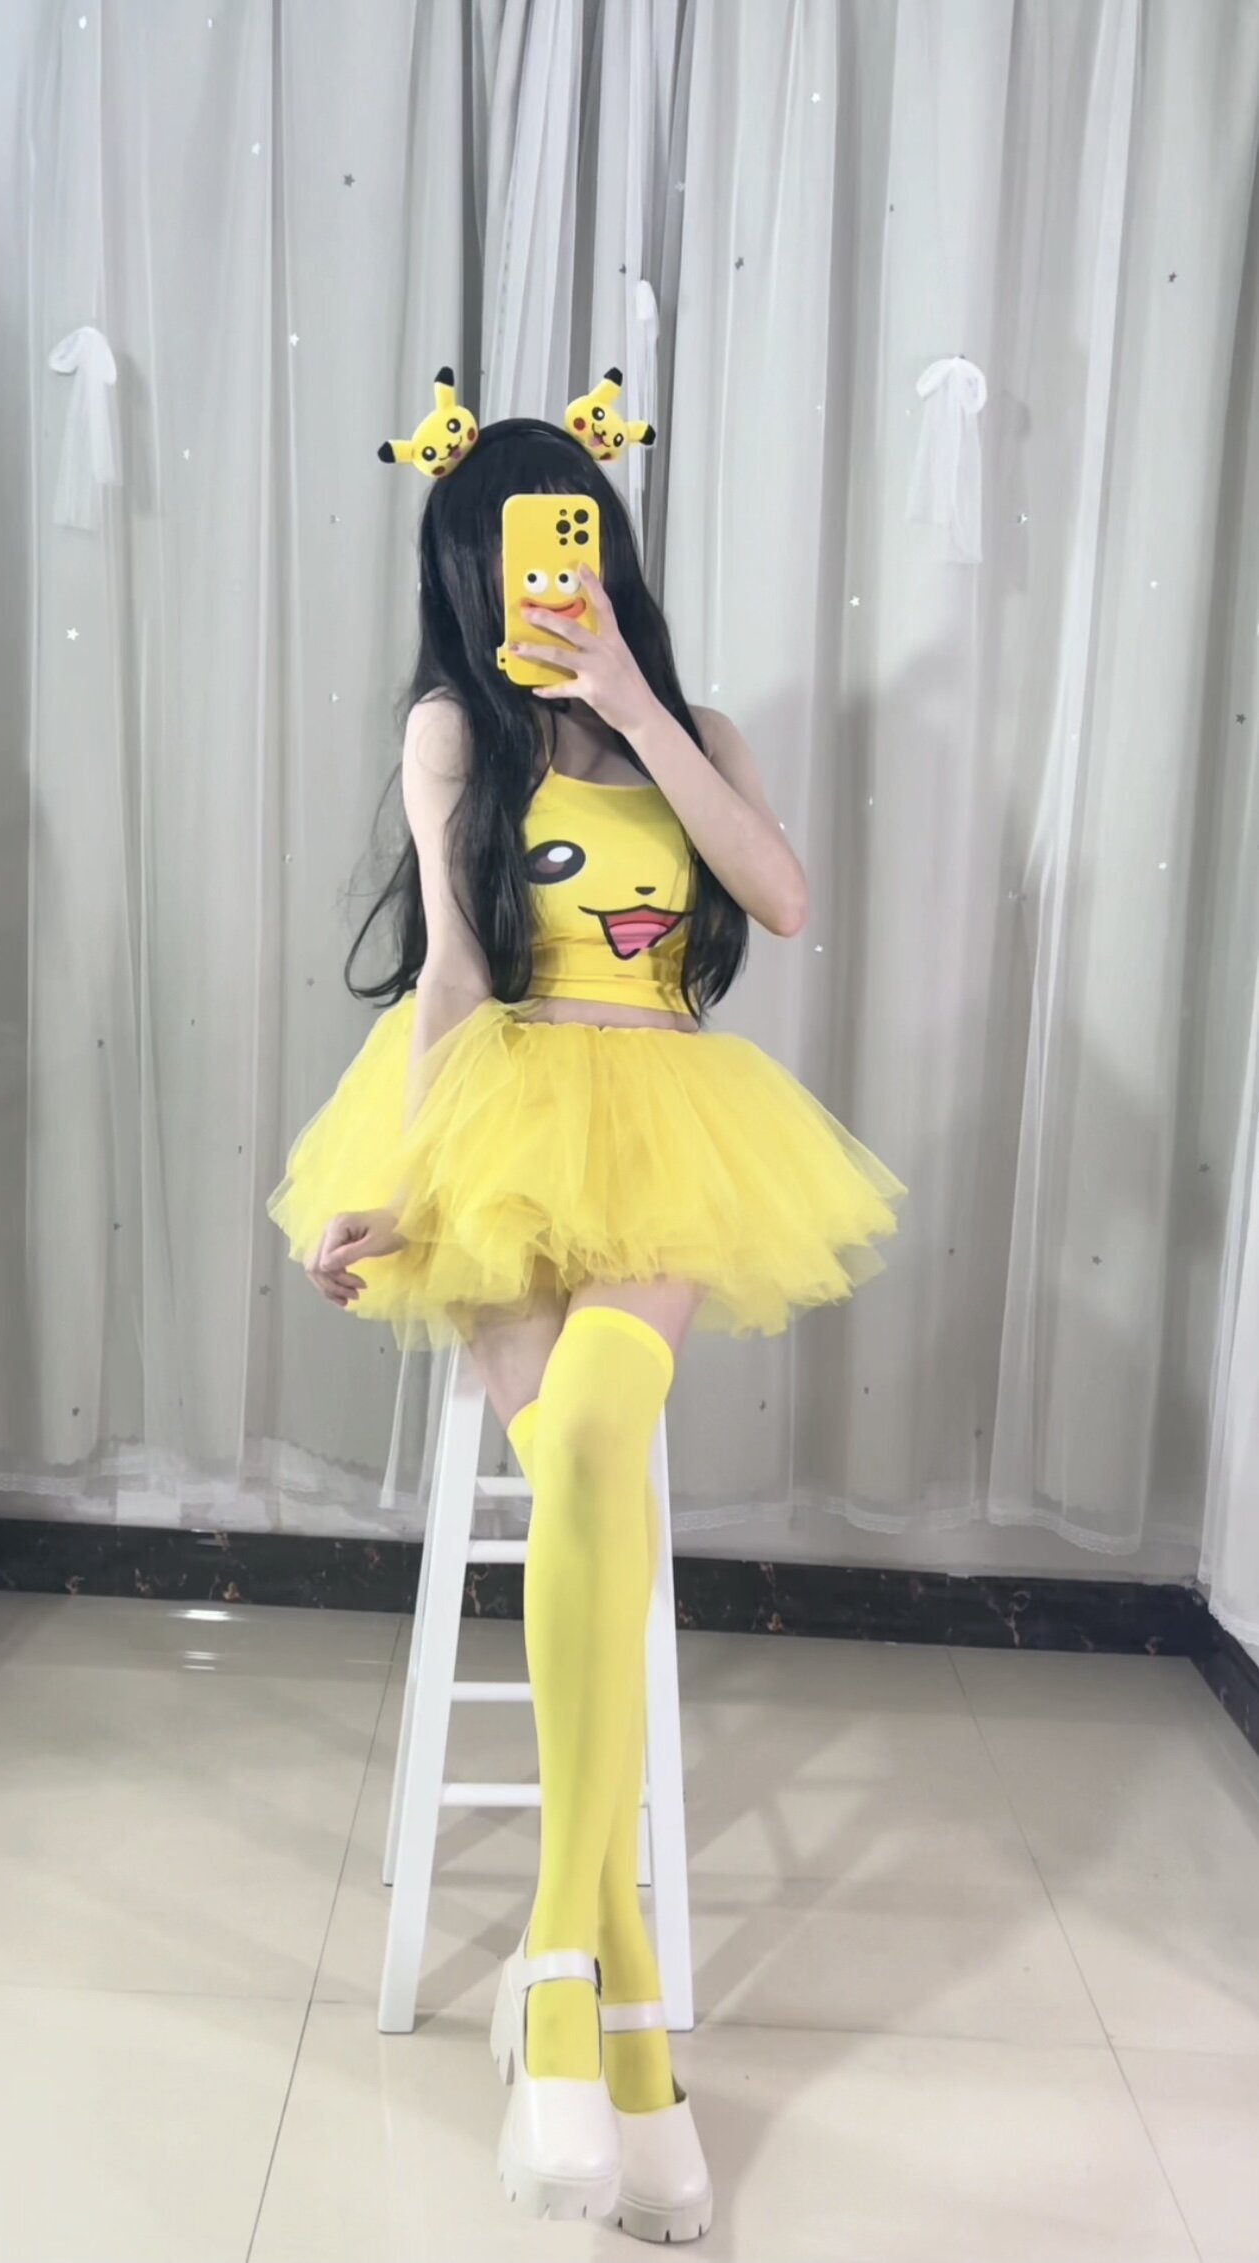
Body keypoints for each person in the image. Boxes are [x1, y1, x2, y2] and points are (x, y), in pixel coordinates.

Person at [269, 398, 903, 2243]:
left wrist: (630, 699)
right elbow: (457, 970)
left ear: (605, 549)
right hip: (496, 1121)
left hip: (669, 1117)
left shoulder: (696, 728)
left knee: (598, 1447)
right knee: (584, 1489)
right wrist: (410, 1183)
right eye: (508, 547)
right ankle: (625, 2032)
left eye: (571, 533)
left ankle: (557, 1967)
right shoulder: (450, 732)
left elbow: (779, 901)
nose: (542, 571)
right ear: (464, 571)